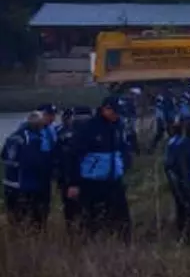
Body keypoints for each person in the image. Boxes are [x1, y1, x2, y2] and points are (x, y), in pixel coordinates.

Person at [68, 96, 132, 242]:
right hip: (92, 182)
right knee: (92, 218)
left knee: (122, 217)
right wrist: (74, 183)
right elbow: (74, 156)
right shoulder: (89, 128)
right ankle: (90, 245)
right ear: (105, 109)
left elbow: (123, 148)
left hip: (114, 180)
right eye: (114, 112)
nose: (117, 115)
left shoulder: (118, 126)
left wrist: (125, 164)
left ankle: (123, 246)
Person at [3, 111, 54, 230]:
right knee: (32, 219)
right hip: (26, 184)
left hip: (9, 183)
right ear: (38, 124)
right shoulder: (33, 138)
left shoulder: (13, 136)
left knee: (15, 218)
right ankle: (32, 242)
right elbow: (35, 163)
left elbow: (4, 156)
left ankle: (16, 241)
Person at [55, 107, 90, 230]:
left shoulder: (62, 133)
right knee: (80, 209)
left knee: (71, 210)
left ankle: (74, 233)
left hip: (69, 178)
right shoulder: (64, 134)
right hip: (78, 178)